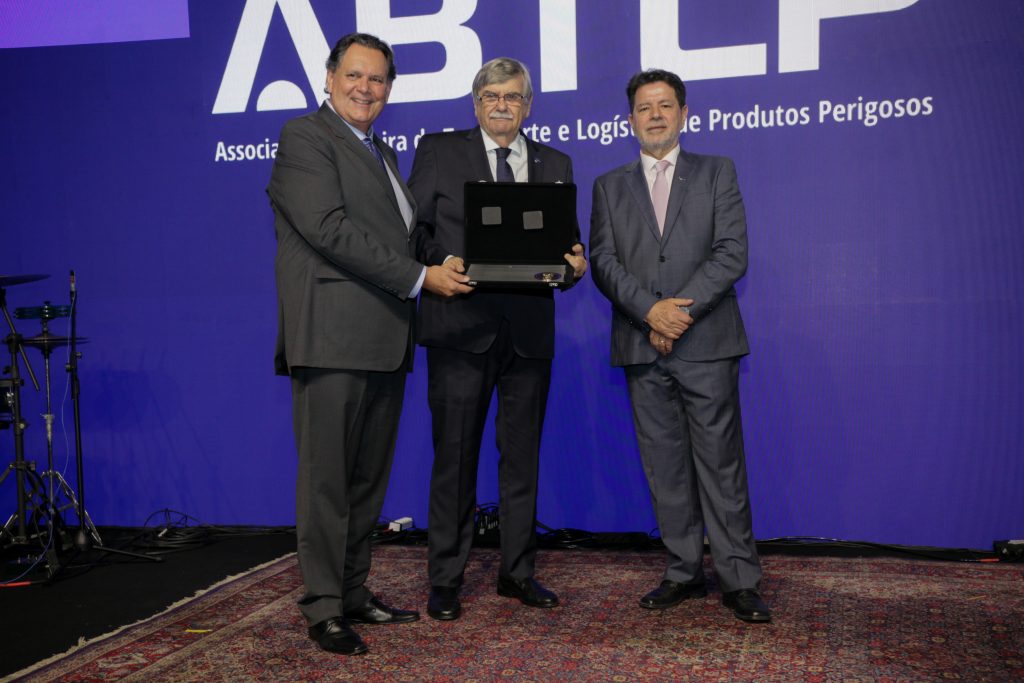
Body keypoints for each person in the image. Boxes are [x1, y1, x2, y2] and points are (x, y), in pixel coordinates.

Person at [267, 33, 473, 656]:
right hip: (331, 338)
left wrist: (444, 262)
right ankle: (323, 606)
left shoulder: (383, 151)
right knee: (326, 483)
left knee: (365, 483)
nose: (365, 88)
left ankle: (353, 591)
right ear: (329, 77)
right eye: (354, 75)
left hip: (385, 338)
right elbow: (329, 230)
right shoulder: (305, 137)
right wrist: (420, 278)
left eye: (377, 79)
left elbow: (404, 238)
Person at [407, 57, 587, 621]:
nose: (501, 105)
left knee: (522, 459)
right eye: (491, 96)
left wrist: (575, 265)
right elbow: (414, 230)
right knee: (454, 458)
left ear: (528, 105)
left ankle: (518, 573)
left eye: (512, 96)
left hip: (528, 334)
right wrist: (441, 261)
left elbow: (568, 244)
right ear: (476, 103)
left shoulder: (556, 162)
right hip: (459, 327)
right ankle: (445, 579)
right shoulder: (439, 151)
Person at [589, 69, 771, 623]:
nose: (655, 115)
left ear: (684, 114)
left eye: (665, 105)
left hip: (706, 342)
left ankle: (740, 579)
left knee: (721, 465)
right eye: (644, 108)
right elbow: (603, 261)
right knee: (664, 467)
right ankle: (683, 571)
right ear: (630, 120)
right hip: (641, 343)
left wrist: (676, 315)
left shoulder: (717, 172)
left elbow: (731, 252)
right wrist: (650, 312)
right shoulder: (608, 186)